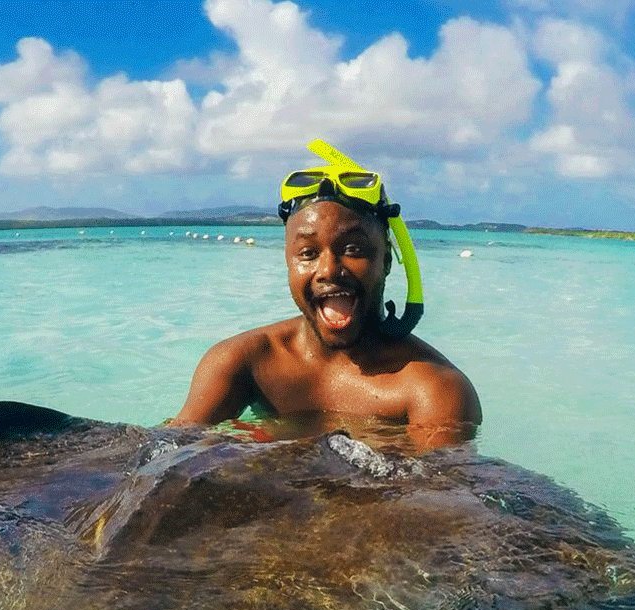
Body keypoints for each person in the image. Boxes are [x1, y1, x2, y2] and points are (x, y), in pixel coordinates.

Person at [171, 144, 481, 450]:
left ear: (386, 260)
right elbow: (168, 454)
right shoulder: (246, 361)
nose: (328, 270)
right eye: (308, 253)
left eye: (353, 249)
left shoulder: (433, 390)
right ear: (288, 262)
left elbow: (438, 495)